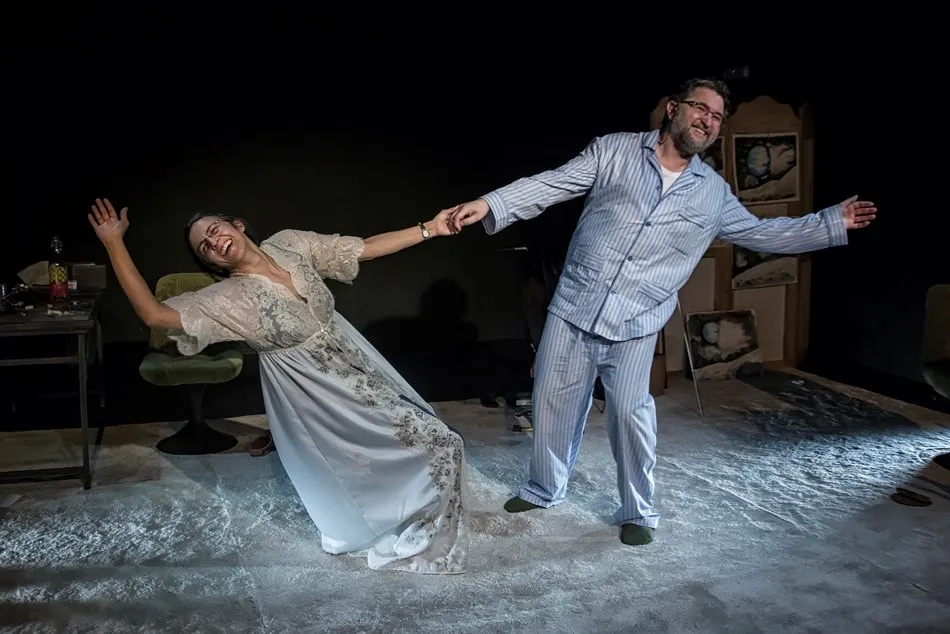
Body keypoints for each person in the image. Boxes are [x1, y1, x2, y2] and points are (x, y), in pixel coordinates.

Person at [446, 78, 878, 547]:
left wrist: (830, 222)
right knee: (552, 403)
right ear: (674, 109)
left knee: (631, 417)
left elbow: (763, 233)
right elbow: (552, 183)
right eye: (701, 109)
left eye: (717, 117)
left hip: (637, 321)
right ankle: (544, 488)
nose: (708, 121)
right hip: (575, 307)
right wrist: (491, 203)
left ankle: (638, 510)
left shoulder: (713, 194)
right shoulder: (614, 151)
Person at [87, 197, 469, 574]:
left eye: (214, 230)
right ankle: (400, 527)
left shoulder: (290, 244)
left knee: (428, 440)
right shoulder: (228, 298)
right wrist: (114, 243)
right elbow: (154, 314)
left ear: (237, 225)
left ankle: (412, 511)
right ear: (212, 263)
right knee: (432, 443)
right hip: (315, 390)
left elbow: (363, 248)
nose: (213, 242)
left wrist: (430, 228)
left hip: (357, 364)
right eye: (204, 247)